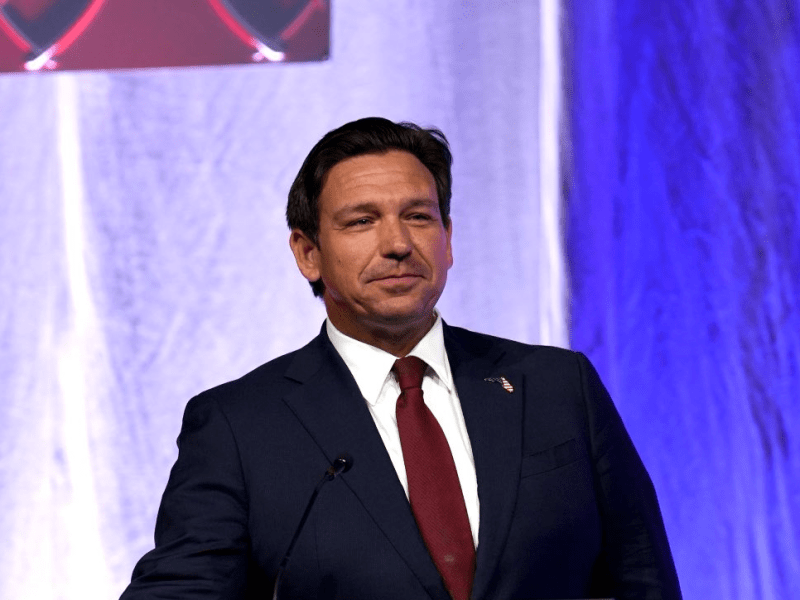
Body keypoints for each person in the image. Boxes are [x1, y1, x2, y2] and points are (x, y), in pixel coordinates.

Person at [120, 117, 682, 600]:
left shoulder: (559, 387)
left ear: (448, 238)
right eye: (361, 221)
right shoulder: (239, 427)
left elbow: (642, 579)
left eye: (418, 216)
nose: (397, 243)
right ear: (308, 252)